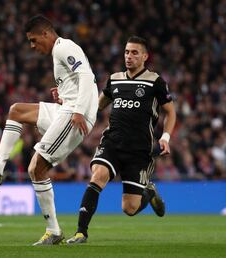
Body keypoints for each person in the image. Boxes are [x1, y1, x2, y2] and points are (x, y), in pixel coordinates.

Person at [0, 14, 99, 245]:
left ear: (46, 34)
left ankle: (53, 231)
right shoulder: (58, 53)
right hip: (67, 109)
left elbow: (87, 76)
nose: (32, 46)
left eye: (33, 40)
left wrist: (78, 109)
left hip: (74, 116)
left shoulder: (64, 47)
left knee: (36, 167)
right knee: (16, 111)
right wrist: (63, 96)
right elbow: (77, 80)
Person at [66, 36, 176, 244]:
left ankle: (147, 192)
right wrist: (70, 105)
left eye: (135, 53)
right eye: (127, 52)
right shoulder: (115, 79)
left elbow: (171, 112)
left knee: (129, 208)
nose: (129, 56)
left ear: (145, 56)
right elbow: (96, 106)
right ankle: (81, 232)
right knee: (98, 176)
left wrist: (165, 137)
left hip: (139, 151)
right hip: (112, 143)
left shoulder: (155, 81)